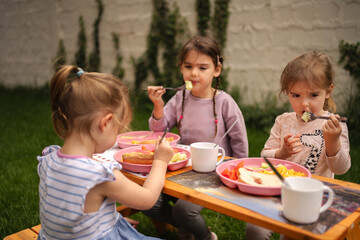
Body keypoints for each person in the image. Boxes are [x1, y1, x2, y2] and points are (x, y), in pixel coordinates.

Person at [37, 65, 174, 240]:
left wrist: (111, 219)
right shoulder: (99, 175)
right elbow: (147, 199)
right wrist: (161, 161)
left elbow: (72, 214)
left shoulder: (48, 160)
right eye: (118, 129)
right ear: (106, 123)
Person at [145, 35, 249, 240]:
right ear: (181, 68)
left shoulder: (224, 102)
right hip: (181, 169)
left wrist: (236, 172)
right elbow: (160, 131)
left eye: (203, 68)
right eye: (188, 66)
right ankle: (187, 229)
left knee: (184, 210)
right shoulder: (180, 97)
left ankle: (205, 237)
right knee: (148, 201)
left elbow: (239, 141)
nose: (194, 73)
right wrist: (158, 105)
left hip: (213, 173)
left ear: (216, 70)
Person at [245, 51, 351, 240]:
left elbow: (341, 169)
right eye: (296, 95)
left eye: (313, 95)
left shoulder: (335, 126)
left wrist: (333, 141)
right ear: (287, 93)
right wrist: (281, 152)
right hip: (280, 191)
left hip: (314, 197)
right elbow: (264, 157)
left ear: (328, 91)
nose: (304, 104)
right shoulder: (283, 121)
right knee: (255, 228)